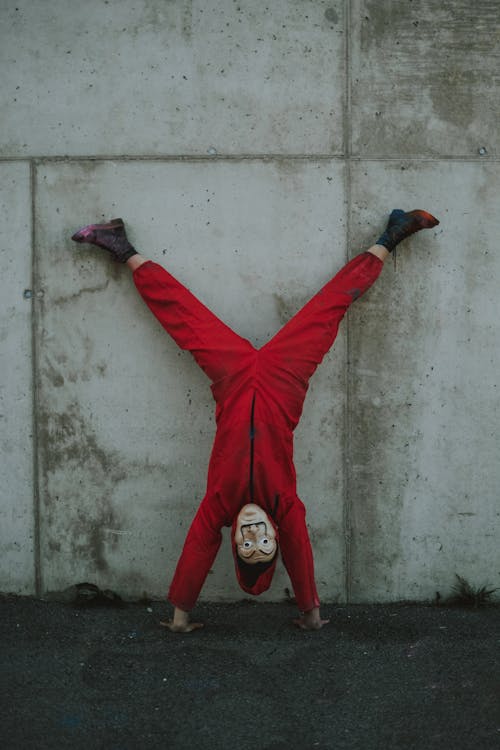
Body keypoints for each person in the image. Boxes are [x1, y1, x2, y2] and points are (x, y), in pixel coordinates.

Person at [71, 208, 439, 631]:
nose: (253, 533)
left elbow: (196, 550)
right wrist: (311, 614)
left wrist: (179, 618)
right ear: (275, 535)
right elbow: (300, 552)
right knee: (330, 305)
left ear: (233, 542)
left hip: (233, 375)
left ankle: (121, 246)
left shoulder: (220, 505)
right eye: (264, 542)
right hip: (284, 379)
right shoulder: (283, 503)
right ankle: (392, 236)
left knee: (183, 315)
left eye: (247, 544)